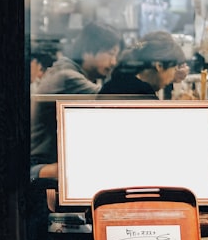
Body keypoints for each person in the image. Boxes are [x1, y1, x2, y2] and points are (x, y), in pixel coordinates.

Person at [30, 21, 121, 181]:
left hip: (48, 162)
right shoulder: (67, 77)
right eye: (110, 53)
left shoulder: (73, 73)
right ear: (87, 51)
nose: (113, 62)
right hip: (37, 167)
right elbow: (118, 100)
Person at [99, 31, 186, 99]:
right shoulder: (144, 96)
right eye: (175, 68)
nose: (174, 75)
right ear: (159, 66)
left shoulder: (116, 82)